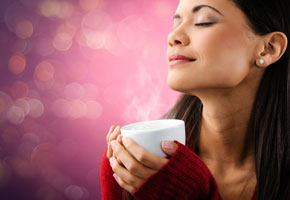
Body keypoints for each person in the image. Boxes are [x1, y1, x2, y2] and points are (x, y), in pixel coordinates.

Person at [100, 0, 290, 199]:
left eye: (203, 22)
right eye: (176, 24)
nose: (174, 37)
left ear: (269, 48)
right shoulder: (136, 164)